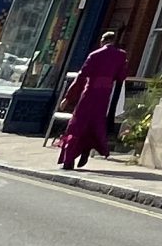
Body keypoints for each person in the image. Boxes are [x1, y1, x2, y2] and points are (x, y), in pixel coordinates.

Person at [54, 32, 129, 170]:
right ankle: (85, 150)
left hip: (89, 93)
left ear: (103, 41)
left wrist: (68, 97)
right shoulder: (121, 55)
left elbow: (81, 76)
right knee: (96, 124)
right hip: (104, 95)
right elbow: (121, 76)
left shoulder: (94, 55)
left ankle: (68, 159)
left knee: (77, 125)